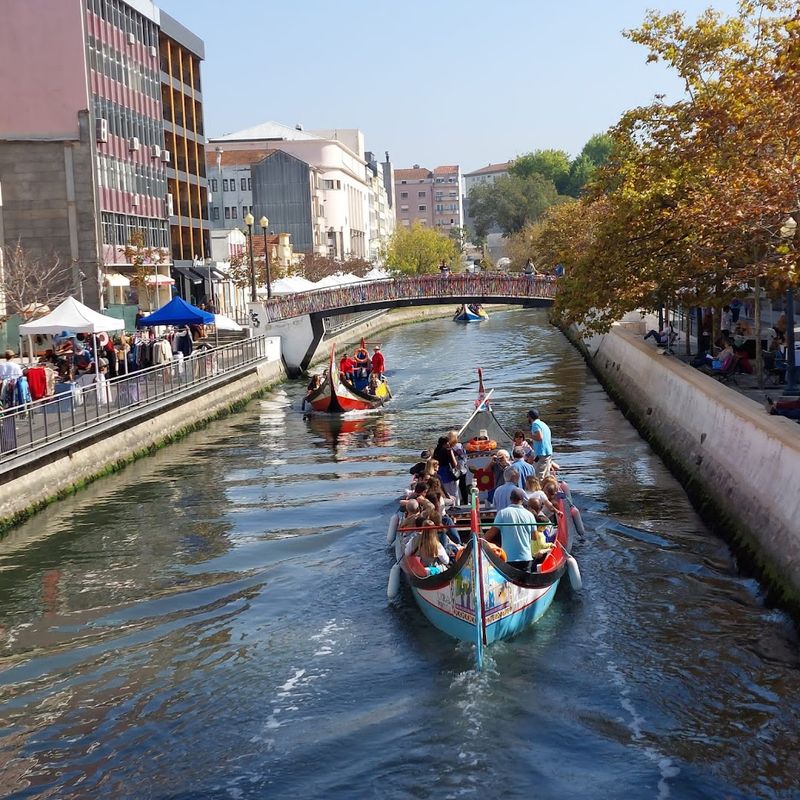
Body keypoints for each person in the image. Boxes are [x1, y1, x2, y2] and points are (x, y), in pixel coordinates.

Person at [484, 488, 552, 572]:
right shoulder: (530, 515)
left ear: (510, 499)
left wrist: (480, 541)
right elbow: (534, 537)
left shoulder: (502, 513)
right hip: (526, 558)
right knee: (525, 581)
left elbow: (490, 534)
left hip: (508, 558)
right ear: (523, 500)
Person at [527, 409, 553, 480]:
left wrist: (530, 436)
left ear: (530, 417)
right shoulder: (543, 424)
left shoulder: (535, 424)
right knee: (546, 476)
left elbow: (539, 437)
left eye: (528, 417)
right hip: (548, 452)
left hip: (541, 454)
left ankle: (539, 490)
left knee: (538, 477)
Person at [433, 435, 459, 499]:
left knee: (446, 490)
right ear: (445, 443)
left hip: (440, 472)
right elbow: (454, 464)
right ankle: (454, 506)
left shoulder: (436, 451)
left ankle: (449, 505)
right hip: (449, 472)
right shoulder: (448, 451)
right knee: (454, 491)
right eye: (448, 442)